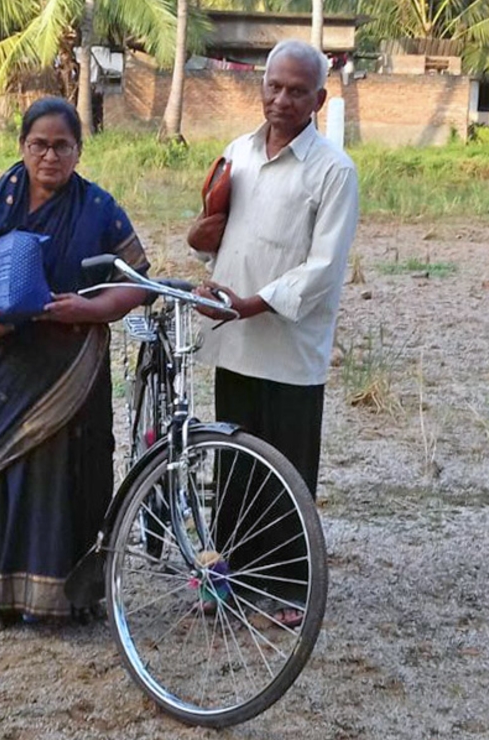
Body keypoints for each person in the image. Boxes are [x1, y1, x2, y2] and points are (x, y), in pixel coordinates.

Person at [0, 97, 148, 632]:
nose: (49, 156)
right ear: (22, 147)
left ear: (79, 149)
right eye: (38, 145)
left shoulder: (99, 209)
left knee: (76, 474)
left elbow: (136, 282)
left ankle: (74, 596)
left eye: (61, 146)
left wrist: (91, 308)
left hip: (71, 367)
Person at [192, 39, 359, 625]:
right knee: (233, 462)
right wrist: (206, 247)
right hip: (233, 337)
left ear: (318, 99)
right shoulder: (237, 152)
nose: (282, 99)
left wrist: (252, 303)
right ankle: (228, 577)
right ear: (260, 86)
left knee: (286, 467)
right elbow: (223, 235)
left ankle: (288, 589)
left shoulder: (334, 171)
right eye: (274, 86)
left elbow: (322, 269)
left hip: (288, 345)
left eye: (296, 91)